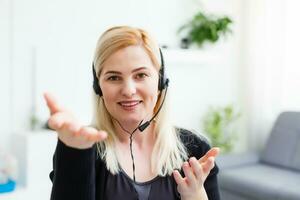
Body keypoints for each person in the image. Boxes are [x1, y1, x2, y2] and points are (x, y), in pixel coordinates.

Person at [44, 26, 220, 200]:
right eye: (113, 77)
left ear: (160, 83)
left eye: (141, 75)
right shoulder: (82, 148)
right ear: (99, 88)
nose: (128, 90)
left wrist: (195, 196)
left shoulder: (196, 150)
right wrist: (75, 152)